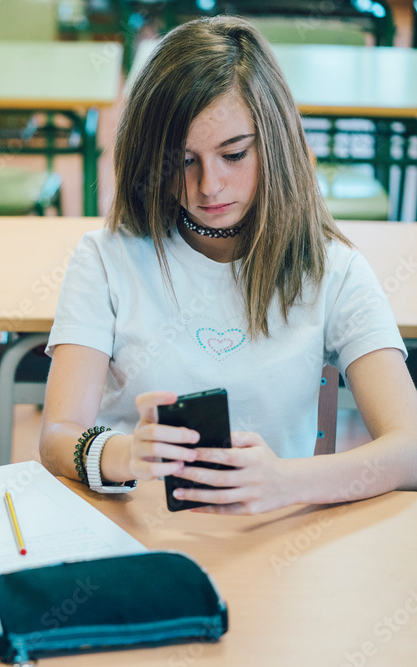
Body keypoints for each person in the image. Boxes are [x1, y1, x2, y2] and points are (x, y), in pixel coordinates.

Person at [39, 16, 417, 514]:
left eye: (234, 154)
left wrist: (285, 482)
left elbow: (410, 448)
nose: (209, 186)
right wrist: (124, 454)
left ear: (275, 143)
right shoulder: (106, 259)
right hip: (136, 534)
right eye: (183, 160)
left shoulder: (333, 269)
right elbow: (56, 437)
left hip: (272, 537)